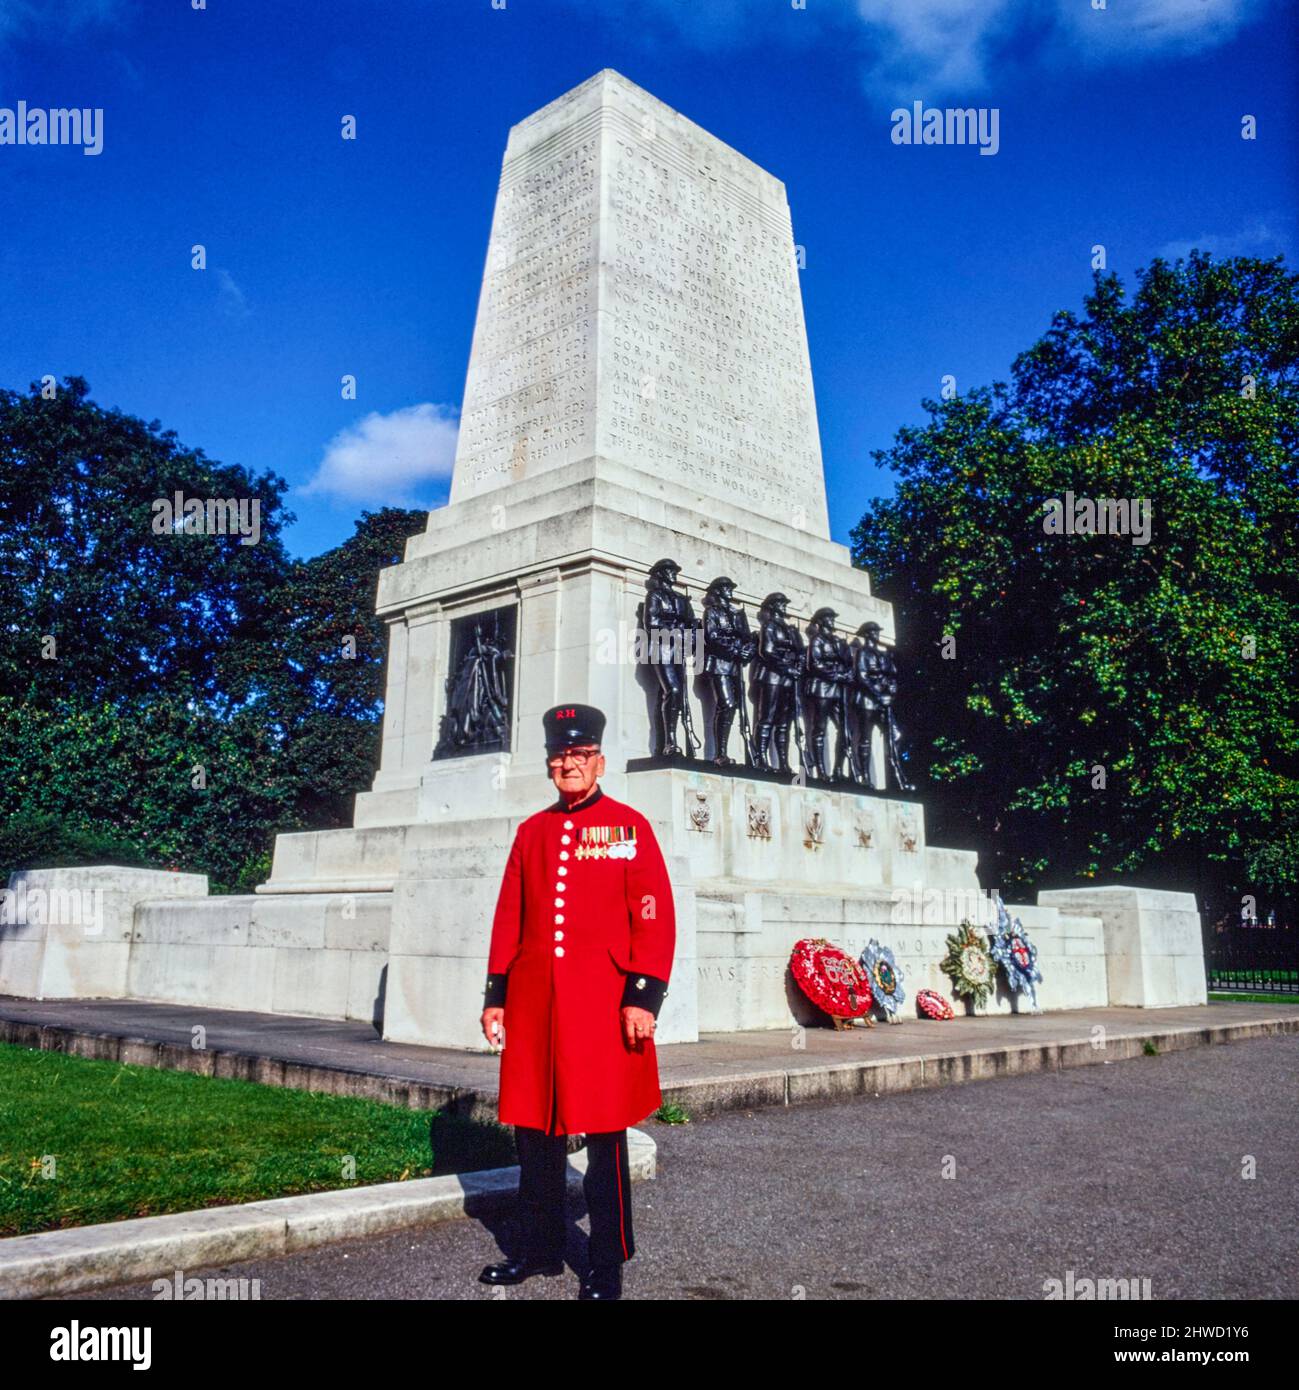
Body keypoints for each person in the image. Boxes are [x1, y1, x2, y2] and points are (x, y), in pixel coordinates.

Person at [478, 703, 676, 1300]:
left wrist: (642, 995)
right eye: (560, 756)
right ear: (549, 764)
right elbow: (509, 915)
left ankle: (607, 1261)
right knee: (534, 1133)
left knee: (605, 1136)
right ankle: (538, 1250)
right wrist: (497, 995)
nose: (569, 764)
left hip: (603, 1007)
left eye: (580, 755)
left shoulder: (628, 827)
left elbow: (654, 915)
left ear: (600, 761)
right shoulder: (531, 832)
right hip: (536, 1007)